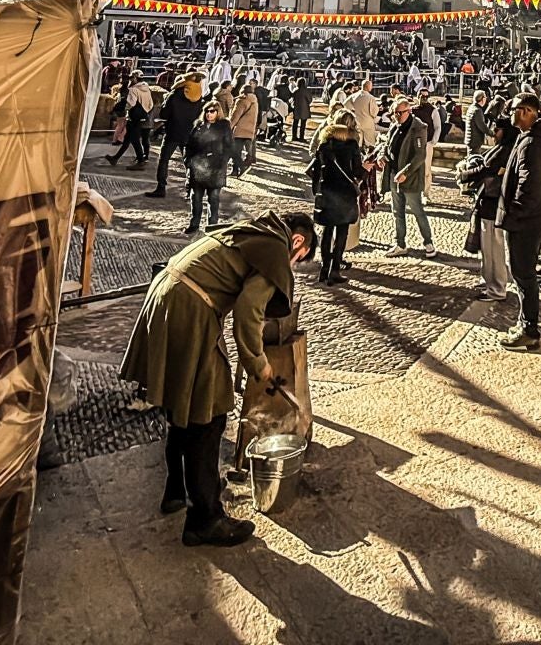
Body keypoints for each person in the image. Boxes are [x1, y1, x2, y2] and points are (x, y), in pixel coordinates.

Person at [121, 210, 315, 546]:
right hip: (188, 307)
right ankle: (205, 518)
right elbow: (248, 311)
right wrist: (258, 363)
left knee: (182, 399)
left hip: (168, 294)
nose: (293, 267)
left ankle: (178, 490)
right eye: (298, 260)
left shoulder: (253, 232)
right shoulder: (274, 249)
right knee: (207, 413)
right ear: (297, 242)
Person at [497, 93, 541, 348]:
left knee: (523, 274)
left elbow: (528, 187)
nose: (509, 113)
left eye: (512, 108)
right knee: (523, 272)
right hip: (532, 217)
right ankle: (524, 322)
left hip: (526, 221)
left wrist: (514, 215)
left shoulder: (533, 143)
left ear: (526, 111)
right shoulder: (531, 138)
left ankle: (529, 329)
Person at [308, 110, 365, 284]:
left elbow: (316, 170)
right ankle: (335, 270)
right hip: (345, 194)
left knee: (327, 231)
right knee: (342, 232)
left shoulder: (325, 145)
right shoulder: (351, 145)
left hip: (327, 192)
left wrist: (317, 190)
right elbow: (357, 172)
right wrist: (367, 167)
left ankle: (324, 269)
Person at [460, 117, 512, 302]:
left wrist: (464, 175)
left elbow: (486, 170)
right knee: (488, 248)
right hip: (488, 203)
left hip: (494, 203)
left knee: (494, 248)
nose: (494, 133)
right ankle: (489, 281)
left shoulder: (505, 150)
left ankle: (497, 288)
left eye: (497, 130)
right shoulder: (502, 148)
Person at [382, 96, 435, 255]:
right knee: (397, 211)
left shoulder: (418, 128)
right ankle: (400, 243)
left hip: (410, 177)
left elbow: (419, 156)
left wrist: (405, 172)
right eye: (394, 113)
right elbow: (387, 146)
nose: (396, 116)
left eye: (399, 113)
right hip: (394, 174)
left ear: (408, 111)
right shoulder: (394, 125)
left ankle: (428, 243)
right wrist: (382, 156)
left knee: (417, 210)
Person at [185, 99, 237, 235]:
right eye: (207, 111)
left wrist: (222, 160)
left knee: (213, 199)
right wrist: (188, 161)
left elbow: (229, 147)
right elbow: (189, 145)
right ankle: (194, 224)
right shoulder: (198, 126)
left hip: (215, 169)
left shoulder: (223, 127)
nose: (209, 114)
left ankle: (212, 226)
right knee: (195, 198)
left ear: (217, 112)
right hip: (198, 168)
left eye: (212, 111)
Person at [148, 73, 204, 198]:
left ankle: (161, 187)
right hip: (190, 133)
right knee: (189, 162)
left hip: (173, 131)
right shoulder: (198, 96)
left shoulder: (174, 95)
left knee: (164, 160)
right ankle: (191, 190)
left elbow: (164, 114)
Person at [110, 74, 156, 168]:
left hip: (134, 117)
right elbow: (151, 104)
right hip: (143, 116)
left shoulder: (133, 90)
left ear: (135, 79)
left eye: (131, 78)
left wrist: (126, 110)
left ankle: (140, 160)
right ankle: (115, 158)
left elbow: (131, 103)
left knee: (134, 140)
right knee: (128, 139)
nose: (130, 80)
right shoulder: (147, 89)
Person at [229, 79, 262, 177]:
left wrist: (229, 127)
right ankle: (235, 170)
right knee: (238, 150)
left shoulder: (242, 100)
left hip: (240, 129)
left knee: (235, 151)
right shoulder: (254, 100)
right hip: (250, 129)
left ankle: (241, 167)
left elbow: (236, 116)